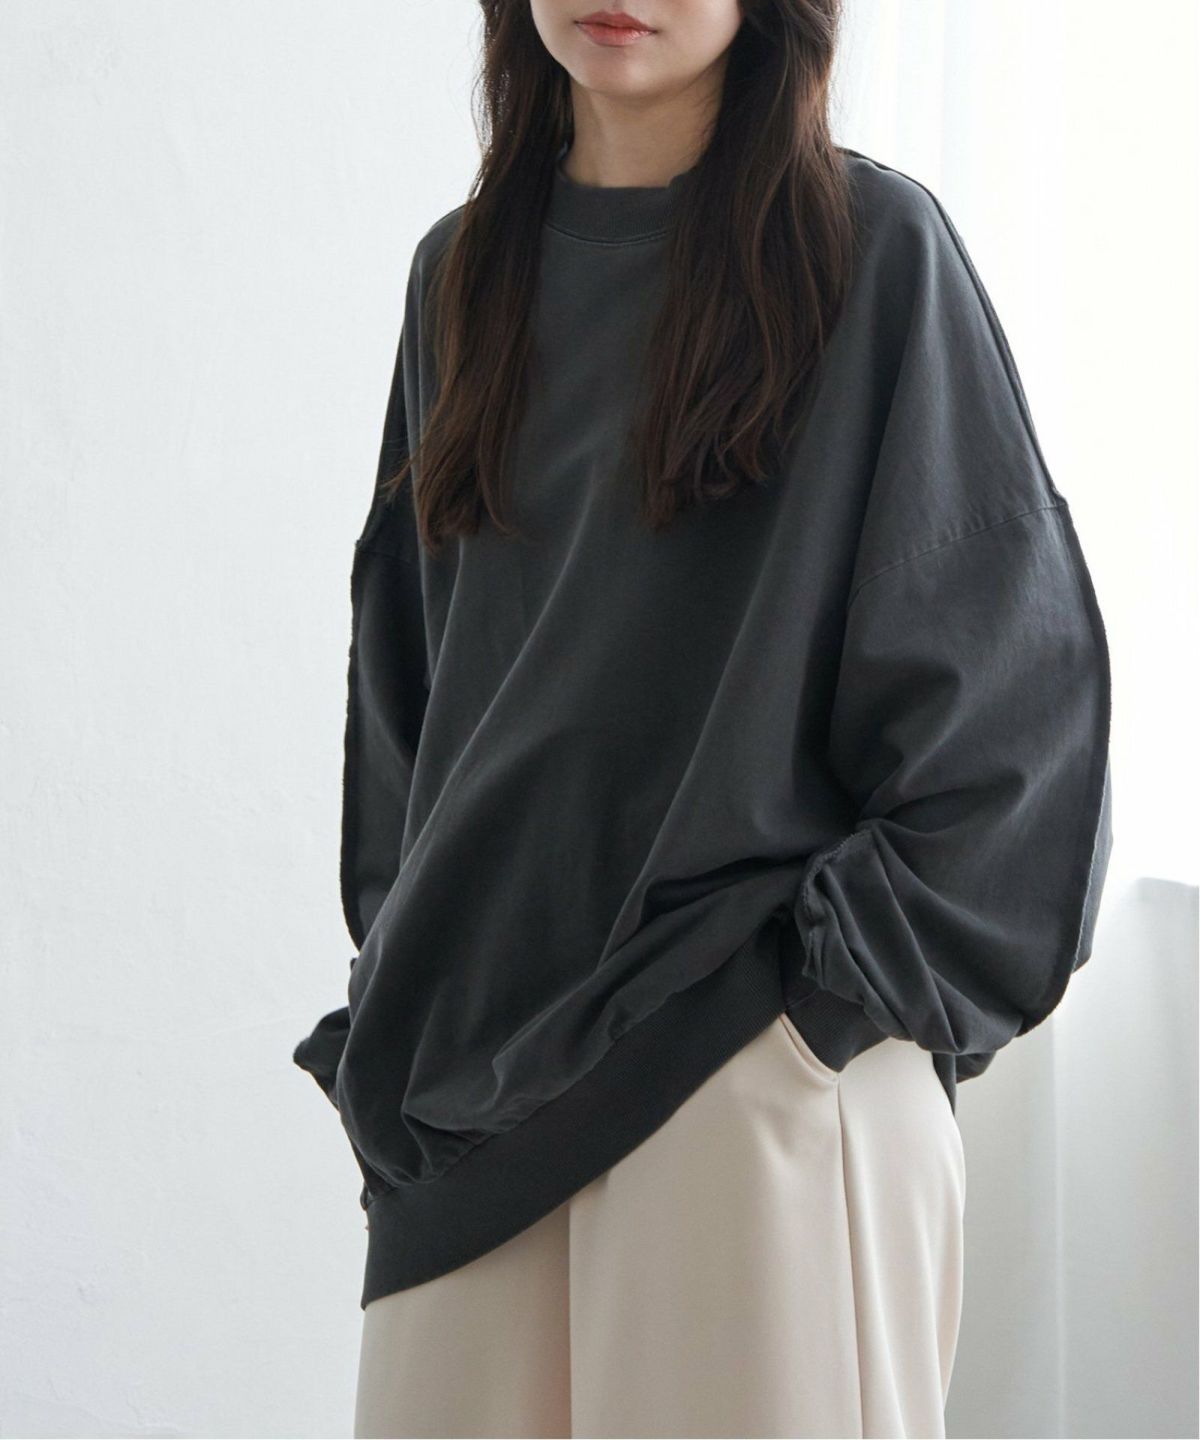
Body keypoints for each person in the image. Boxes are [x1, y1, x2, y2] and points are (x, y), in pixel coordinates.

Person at [292, 1, 1114, 1435]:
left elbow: (1013, 718)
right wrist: (405, 991)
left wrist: (794, 1022)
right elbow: (411, 698)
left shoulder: (872, 254)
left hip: (750, 1078)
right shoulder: (460, 276)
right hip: (471, 1109)